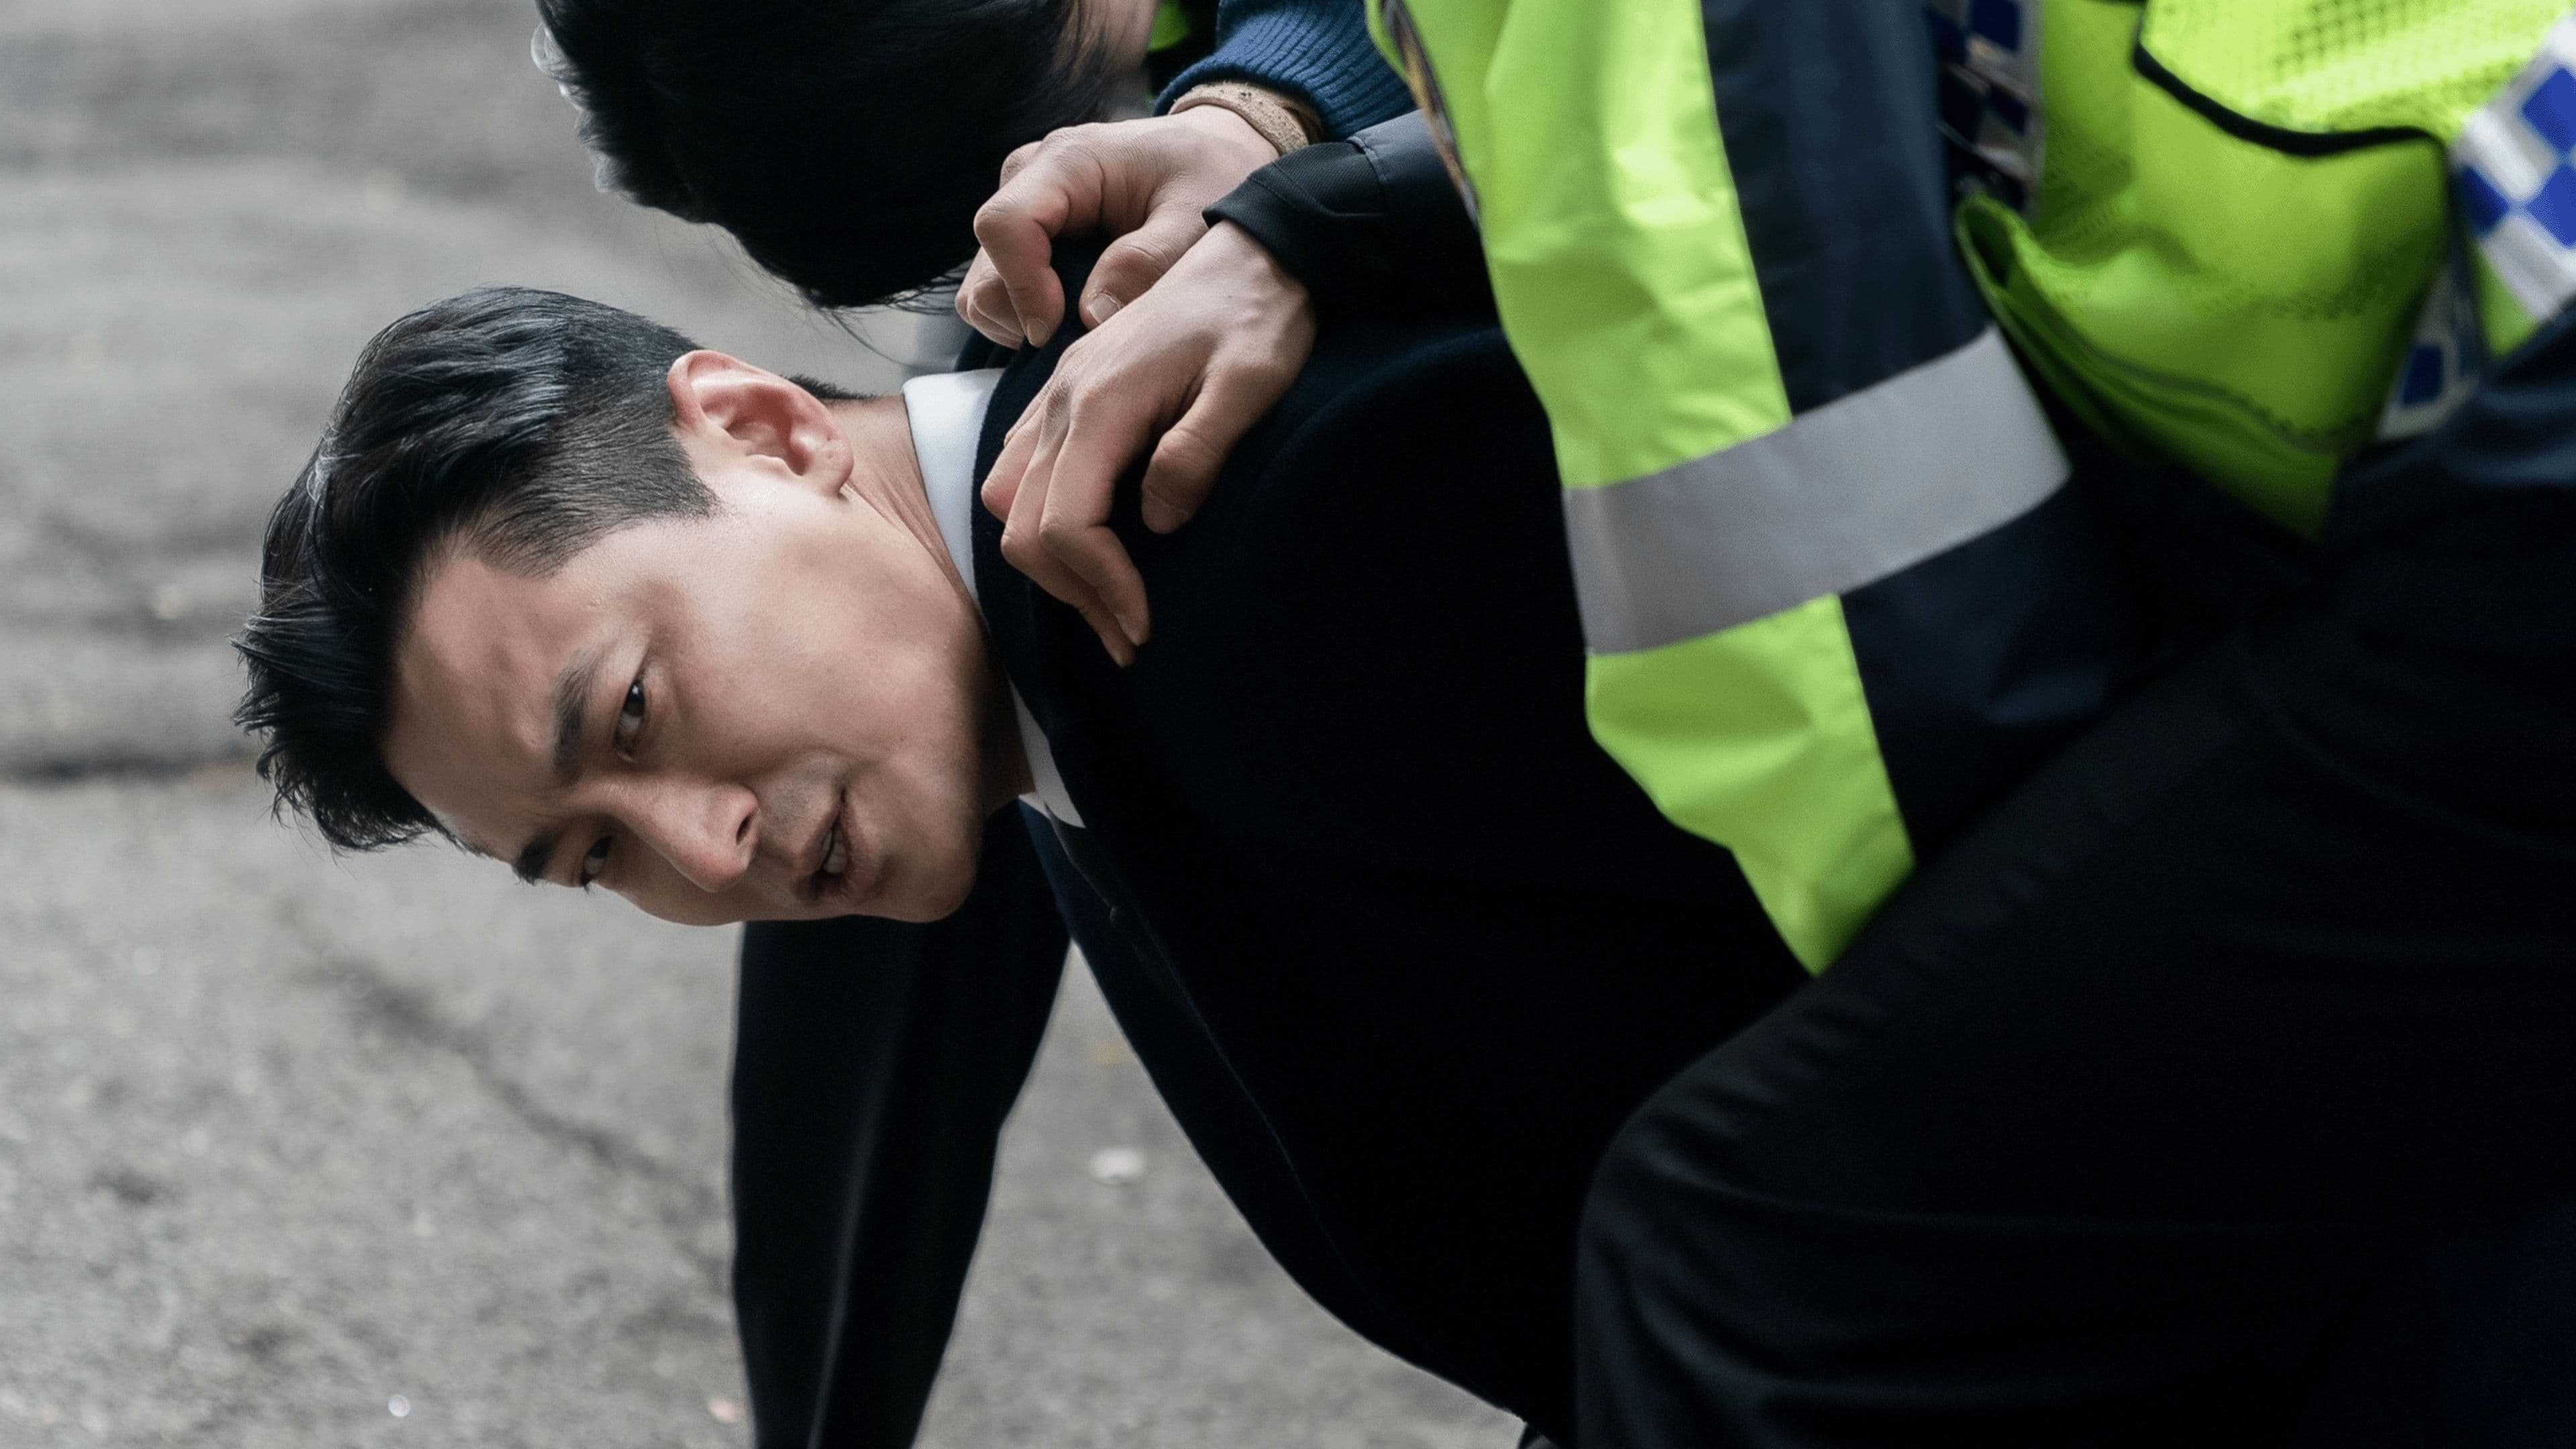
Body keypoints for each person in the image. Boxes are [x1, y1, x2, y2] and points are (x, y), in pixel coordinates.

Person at [950, 2, 2576, 1442]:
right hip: (2448, 411)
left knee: (1752, 1274)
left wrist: (2014, 1035)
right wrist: (1308, 195)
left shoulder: (1238, 562)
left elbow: (1841, 582)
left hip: (2512, 428)